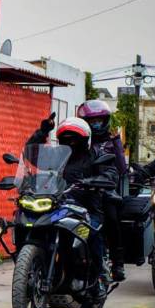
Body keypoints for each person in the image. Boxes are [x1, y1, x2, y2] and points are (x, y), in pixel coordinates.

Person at [26, 114, 118, 280]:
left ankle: (99, 274)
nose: (70, 143)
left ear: (84, 140)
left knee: (91, 232)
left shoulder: (95, 156)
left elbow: (111, 174)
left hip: (87, 208)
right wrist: (43, 131)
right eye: (66, 140)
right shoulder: (56, 156)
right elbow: (32, 154)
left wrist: (91, 181)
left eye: (74, 139)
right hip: (58, 207)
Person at [77, 100, 128, 281]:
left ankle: (118, 263)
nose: (96, 124)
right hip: (79, 189)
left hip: (104, 190)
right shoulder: (79, 140)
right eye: (92, 121)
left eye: (99, 120)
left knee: (112, 219)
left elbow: (121, 169)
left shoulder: (110, 141)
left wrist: (117, 143)